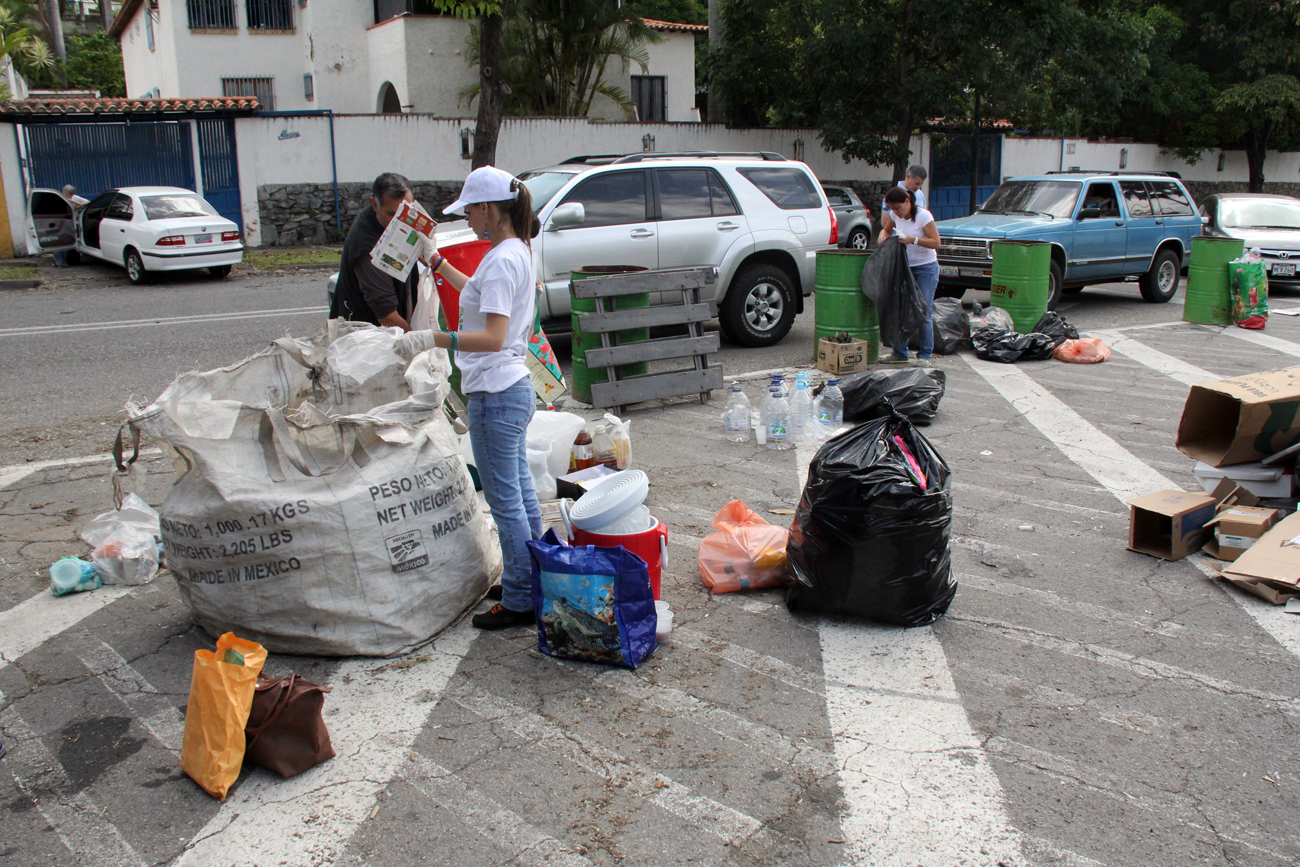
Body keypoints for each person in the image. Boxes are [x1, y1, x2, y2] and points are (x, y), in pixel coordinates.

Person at [424, 166, 543, 630]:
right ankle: (531, 578)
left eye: (471, 210)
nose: (469, 218)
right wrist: (435, 263)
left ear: (491, 210)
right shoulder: (515, 251)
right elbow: (474, 294)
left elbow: (491, 336)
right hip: (512, 387)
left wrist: (432, 339)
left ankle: (519, 599)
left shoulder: (501, 259)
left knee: (506, 500)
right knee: (521, 492)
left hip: (495, 391)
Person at [329, 172, 419, 329]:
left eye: (405, 212)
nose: (400, 221)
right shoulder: (367, 247)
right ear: (374, 204)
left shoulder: (384, 220)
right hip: (366, 342)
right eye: (392, 214)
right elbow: (388, 317)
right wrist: (419, 343)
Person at [877, 185, 941, 367]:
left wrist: (913, 240)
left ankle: (925, 354)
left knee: (923, 310)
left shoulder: (923, 216)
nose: (896, 212)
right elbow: (887, 229)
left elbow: (936, 242)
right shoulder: (895, 215)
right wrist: (883, 234)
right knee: (901, 309)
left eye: (898, 207)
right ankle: (900, 352)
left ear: (907, 202)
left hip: (925, 268)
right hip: (905, 267)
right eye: (892, 209)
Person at [52, 184, 88, 268]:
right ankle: (58, 263)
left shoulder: (74, 198)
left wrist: (77, 204)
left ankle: (63, 260)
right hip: (60, 222)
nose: (65, 195)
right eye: (64, 193)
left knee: (67, 243)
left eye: (67, 194)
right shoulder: (59, 198)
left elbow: (88, 202)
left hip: (71, 223)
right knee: (57, 243)